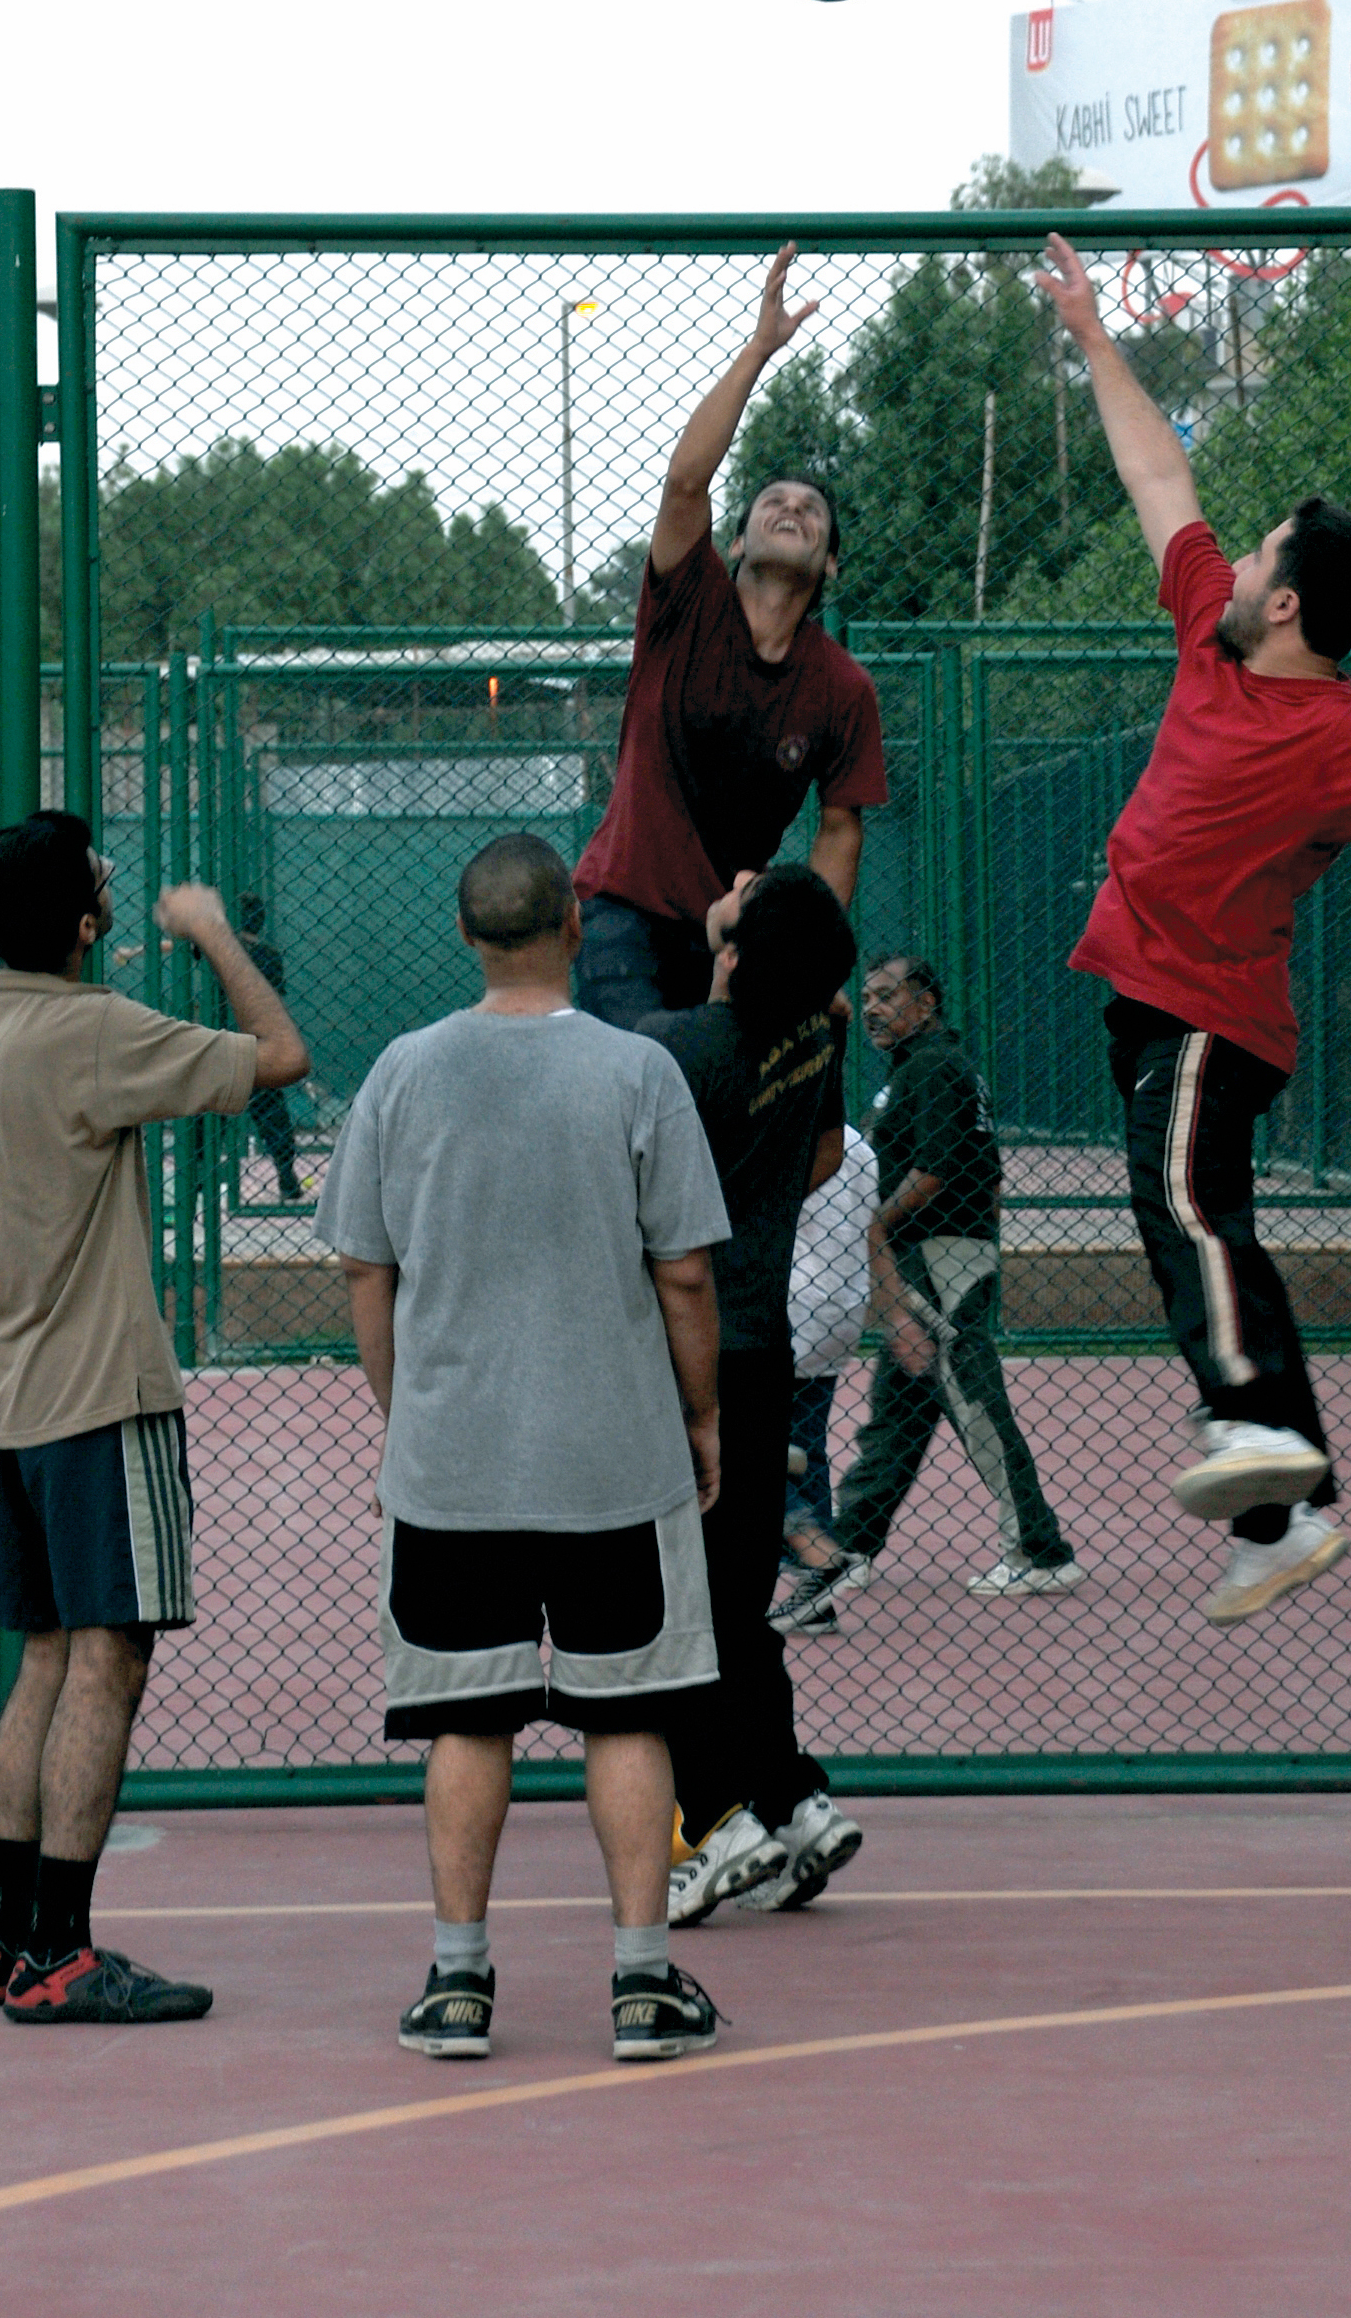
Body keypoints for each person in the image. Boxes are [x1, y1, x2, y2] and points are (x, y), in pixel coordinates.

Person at [1037, 229, 1351, 1622]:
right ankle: (1282, 1513)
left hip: (1213, 1011)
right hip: (1141, 998)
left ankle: (1255, 1425)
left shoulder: (1343, 739)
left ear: (1291, 603)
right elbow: (1159, 474)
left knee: (1181, 1198)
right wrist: (1091, 334)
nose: (1238, 550)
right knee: (1189, 1227)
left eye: (1262, 551)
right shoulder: (1211, 627)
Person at [315, 834, 731, 2062]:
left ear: (466, 935)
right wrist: (699, 1414)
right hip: (614, 1452)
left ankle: (457, 1981)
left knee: (467, 1720)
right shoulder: (637, 1070)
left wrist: (412, 1409)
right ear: (569, 923)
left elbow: (363, 1268)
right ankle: (644, 1983)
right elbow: (689, 1274)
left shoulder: (401, 1072)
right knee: (630, 1717)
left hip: (455, 1461)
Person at [0, 811, 309, 2021]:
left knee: (38, 1658)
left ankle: (6, 1939)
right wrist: (209, 934)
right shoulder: (93, 1029)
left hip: (11, 1396)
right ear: (80, 920)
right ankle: (68, 1953)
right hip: (101, 1396)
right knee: (110, 1656)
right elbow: (280, 1053)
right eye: (101, 883)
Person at [573, 243, 888, 1028]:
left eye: (812, 510)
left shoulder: (842, 687)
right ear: (737, 541)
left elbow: (840, 828)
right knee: (646, 1080)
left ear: (831, 563)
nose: (793, 509)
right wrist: (760, 348)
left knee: (727, 1121)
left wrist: (808, 951)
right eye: (773, 501)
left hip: (731, 930)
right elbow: (686, 481)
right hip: (622, 909)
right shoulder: (686, 601)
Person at [639, 862, 865, 1921]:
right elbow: (819, 1157)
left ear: (736, 947)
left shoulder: (680, 1049)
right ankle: (795, 1798)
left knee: (670, 1604)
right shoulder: (822, 1033)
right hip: (764, 1346)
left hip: (686, 1356)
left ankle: (716, 1818)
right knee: (735, 1599)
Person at [775, 957, 1080, 1632]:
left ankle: (1038, 1549)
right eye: (869, 997)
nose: (875, 1008)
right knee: (898, 1412)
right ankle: (849, 1544)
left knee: (973, 1399)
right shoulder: (934, 1068)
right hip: (932, 1256)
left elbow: (934, 1170)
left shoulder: (934, 1069)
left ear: (926, 999)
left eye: (888, 996)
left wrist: (875, 1224)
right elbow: (989, 1177)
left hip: (940, 1255)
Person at [777, 1121, 881, 1631]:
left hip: (789, 1303)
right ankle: (818, 1597)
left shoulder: (780, 1134)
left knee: (739, 1439)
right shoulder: (854, 1140)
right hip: (841, 1307)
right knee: (806, 1444)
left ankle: (817, 1553)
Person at [236, 892, 303, 1202]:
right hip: (257, 1047)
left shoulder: (223, 951)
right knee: (274, 1117)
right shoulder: (269, 955)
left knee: (205, 1121)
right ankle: (287, 1178)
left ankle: (194, 1187)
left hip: (226, 1043)